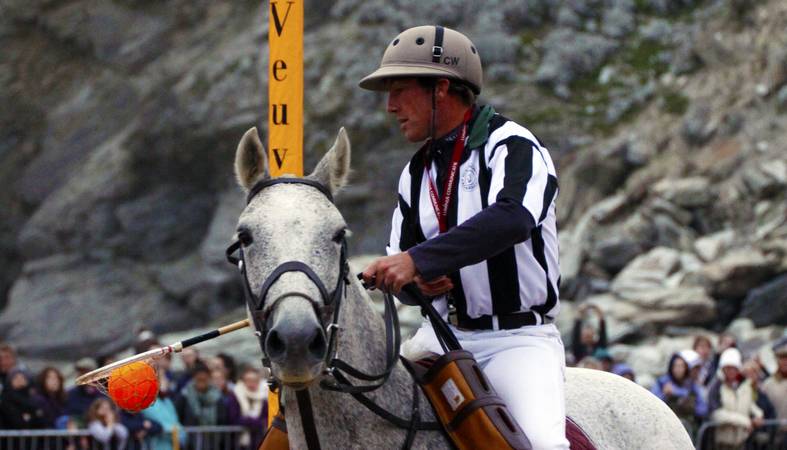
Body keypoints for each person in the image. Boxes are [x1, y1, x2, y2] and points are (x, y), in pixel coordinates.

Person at [360, 25, 568, 449]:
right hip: (437, 338)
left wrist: (418, 261)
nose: (390, 106)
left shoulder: (513, 145)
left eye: (399, 91)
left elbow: (513, 218)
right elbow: (403, 267)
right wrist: (415, 284)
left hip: (514, 341)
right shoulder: (414, 173)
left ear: (441, 88)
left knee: (543, 446)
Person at [707, 348, 763, 450]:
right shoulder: (716, 387)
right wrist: (744, 421)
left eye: (734, 368)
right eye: (728, 368)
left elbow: (750, 404)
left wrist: (758, 415)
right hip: (722, 443)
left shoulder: (745, 385)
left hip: (742, 441)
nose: (731, 371)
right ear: (722, 368)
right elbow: (716, 414)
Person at [651, 352, 707, 438]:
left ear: (686, 368)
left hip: (687, 428)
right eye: (676, 366)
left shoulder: (692, 386)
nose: (678, 369)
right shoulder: (662, 382)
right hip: (665, 426)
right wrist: (665, 394)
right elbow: (653, 402)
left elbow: (703, 409)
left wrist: (690, 405)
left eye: (681, 366)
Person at [175, 361, 226, 426]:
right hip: (190, 431)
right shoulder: (184, 396)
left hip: (213, 431)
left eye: (204, 380)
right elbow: (177, 417)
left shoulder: (217, 396)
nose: (201, 384)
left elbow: (222, 419)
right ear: (194, 379)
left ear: (209, 379)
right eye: (199, 380)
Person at [142, 377, 185, 450]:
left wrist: (180, 432)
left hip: (173, 445)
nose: (165, 383)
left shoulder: (167, 401)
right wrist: (175, 431)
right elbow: (161, 423)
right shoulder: (147, 402)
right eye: (162, 380)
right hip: (157, 445)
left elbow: (175, 422)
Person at [230, 367, 268, 450]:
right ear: (243, 381)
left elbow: (266, 419)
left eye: (254, 380)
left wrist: (249, 421)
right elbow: (234, 418)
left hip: (258, 441)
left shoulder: (263, 396)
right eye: (248, 380)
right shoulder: (236, 395)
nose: (251, 384)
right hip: (238, 442)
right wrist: (256, 422)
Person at [761, 337, 787, 447]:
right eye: (782, 358)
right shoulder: (768, 384)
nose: (785, 362)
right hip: (775, 434)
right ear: (777, 360)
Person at [64, 358, 104, 427]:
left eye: (86, 371)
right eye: (80, 372)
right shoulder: (71, 393)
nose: (82, 375)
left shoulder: (102, 393)